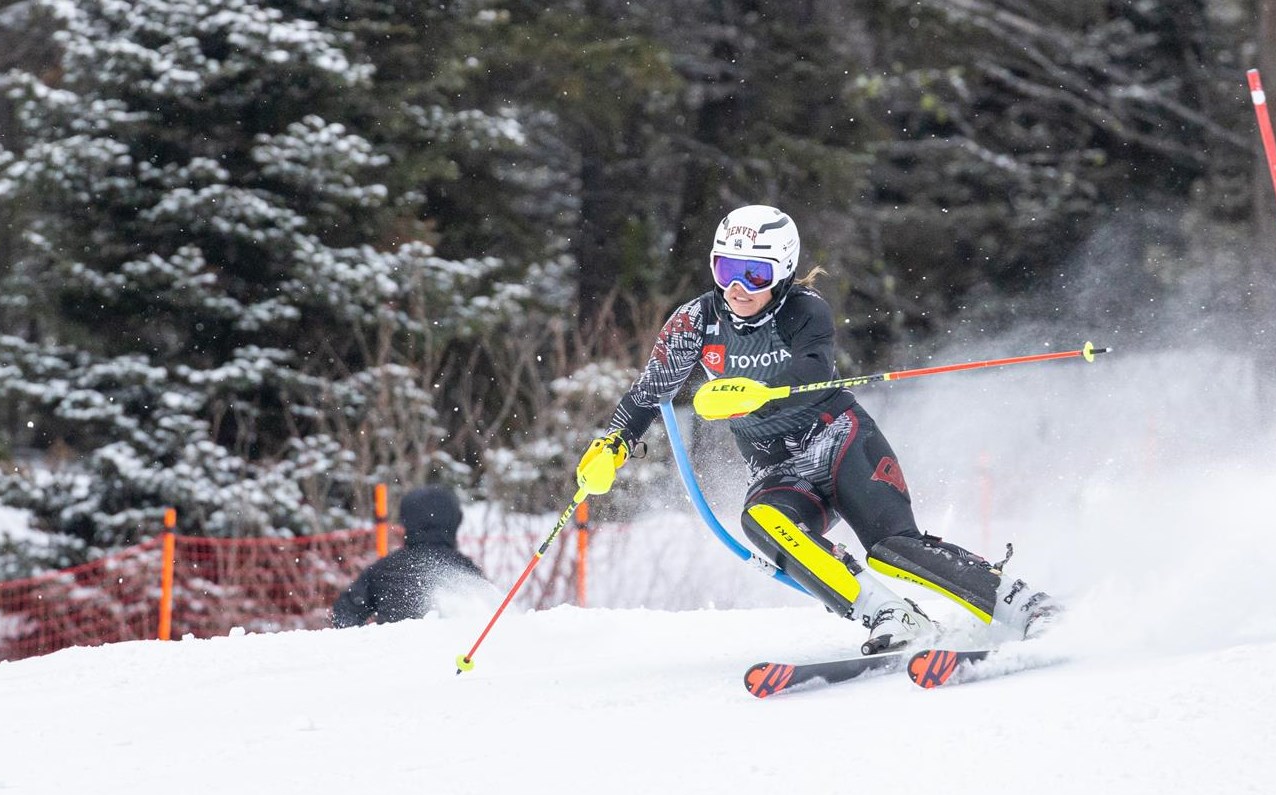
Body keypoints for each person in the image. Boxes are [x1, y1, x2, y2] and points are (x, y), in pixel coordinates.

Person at [575, 204, 1057, 654]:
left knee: (893, 549)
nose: (737, 287)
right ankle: (889, 615)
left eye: (755, 274)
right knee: (762, 520)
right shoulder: (694, 322)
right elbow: (648, 392)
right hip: (778, 466)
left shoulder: (805, 309)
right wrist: (613, 443)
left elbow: (814, 367)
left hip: (841, 439)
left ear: (782, 272)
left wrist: (757, 392)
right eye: (726, 270)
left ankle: (1023, 604)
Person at [330, 485, 488, 628]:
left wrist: (368, 645)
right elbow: (488, 619)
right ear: (455, 521)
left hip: (395, 655)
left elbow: (345, 613)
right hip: (452, 657)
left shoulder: (383, 569)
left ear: (406, 521)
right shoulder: (467, 571)